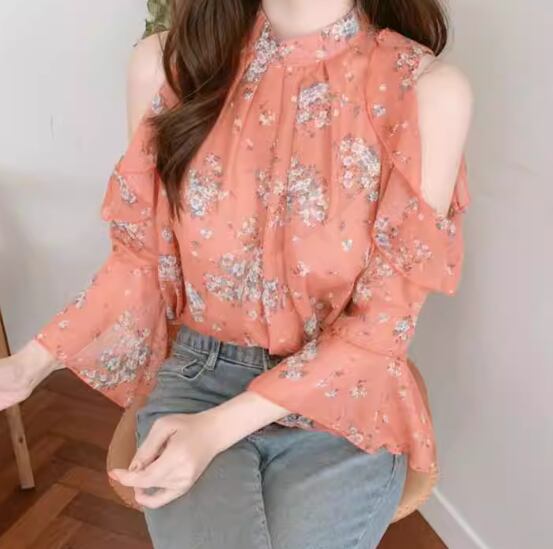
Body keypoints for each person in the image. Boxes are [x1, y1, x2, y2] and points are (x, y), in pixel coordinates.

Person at [0, 0, 473, 547]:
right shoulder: (171, 67)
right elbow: (142, 263)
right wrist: (29, 364)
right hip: (200, 379)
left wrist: (216, 432)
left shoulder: (425, 91)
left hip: (343, 398)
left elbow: (380, 326)